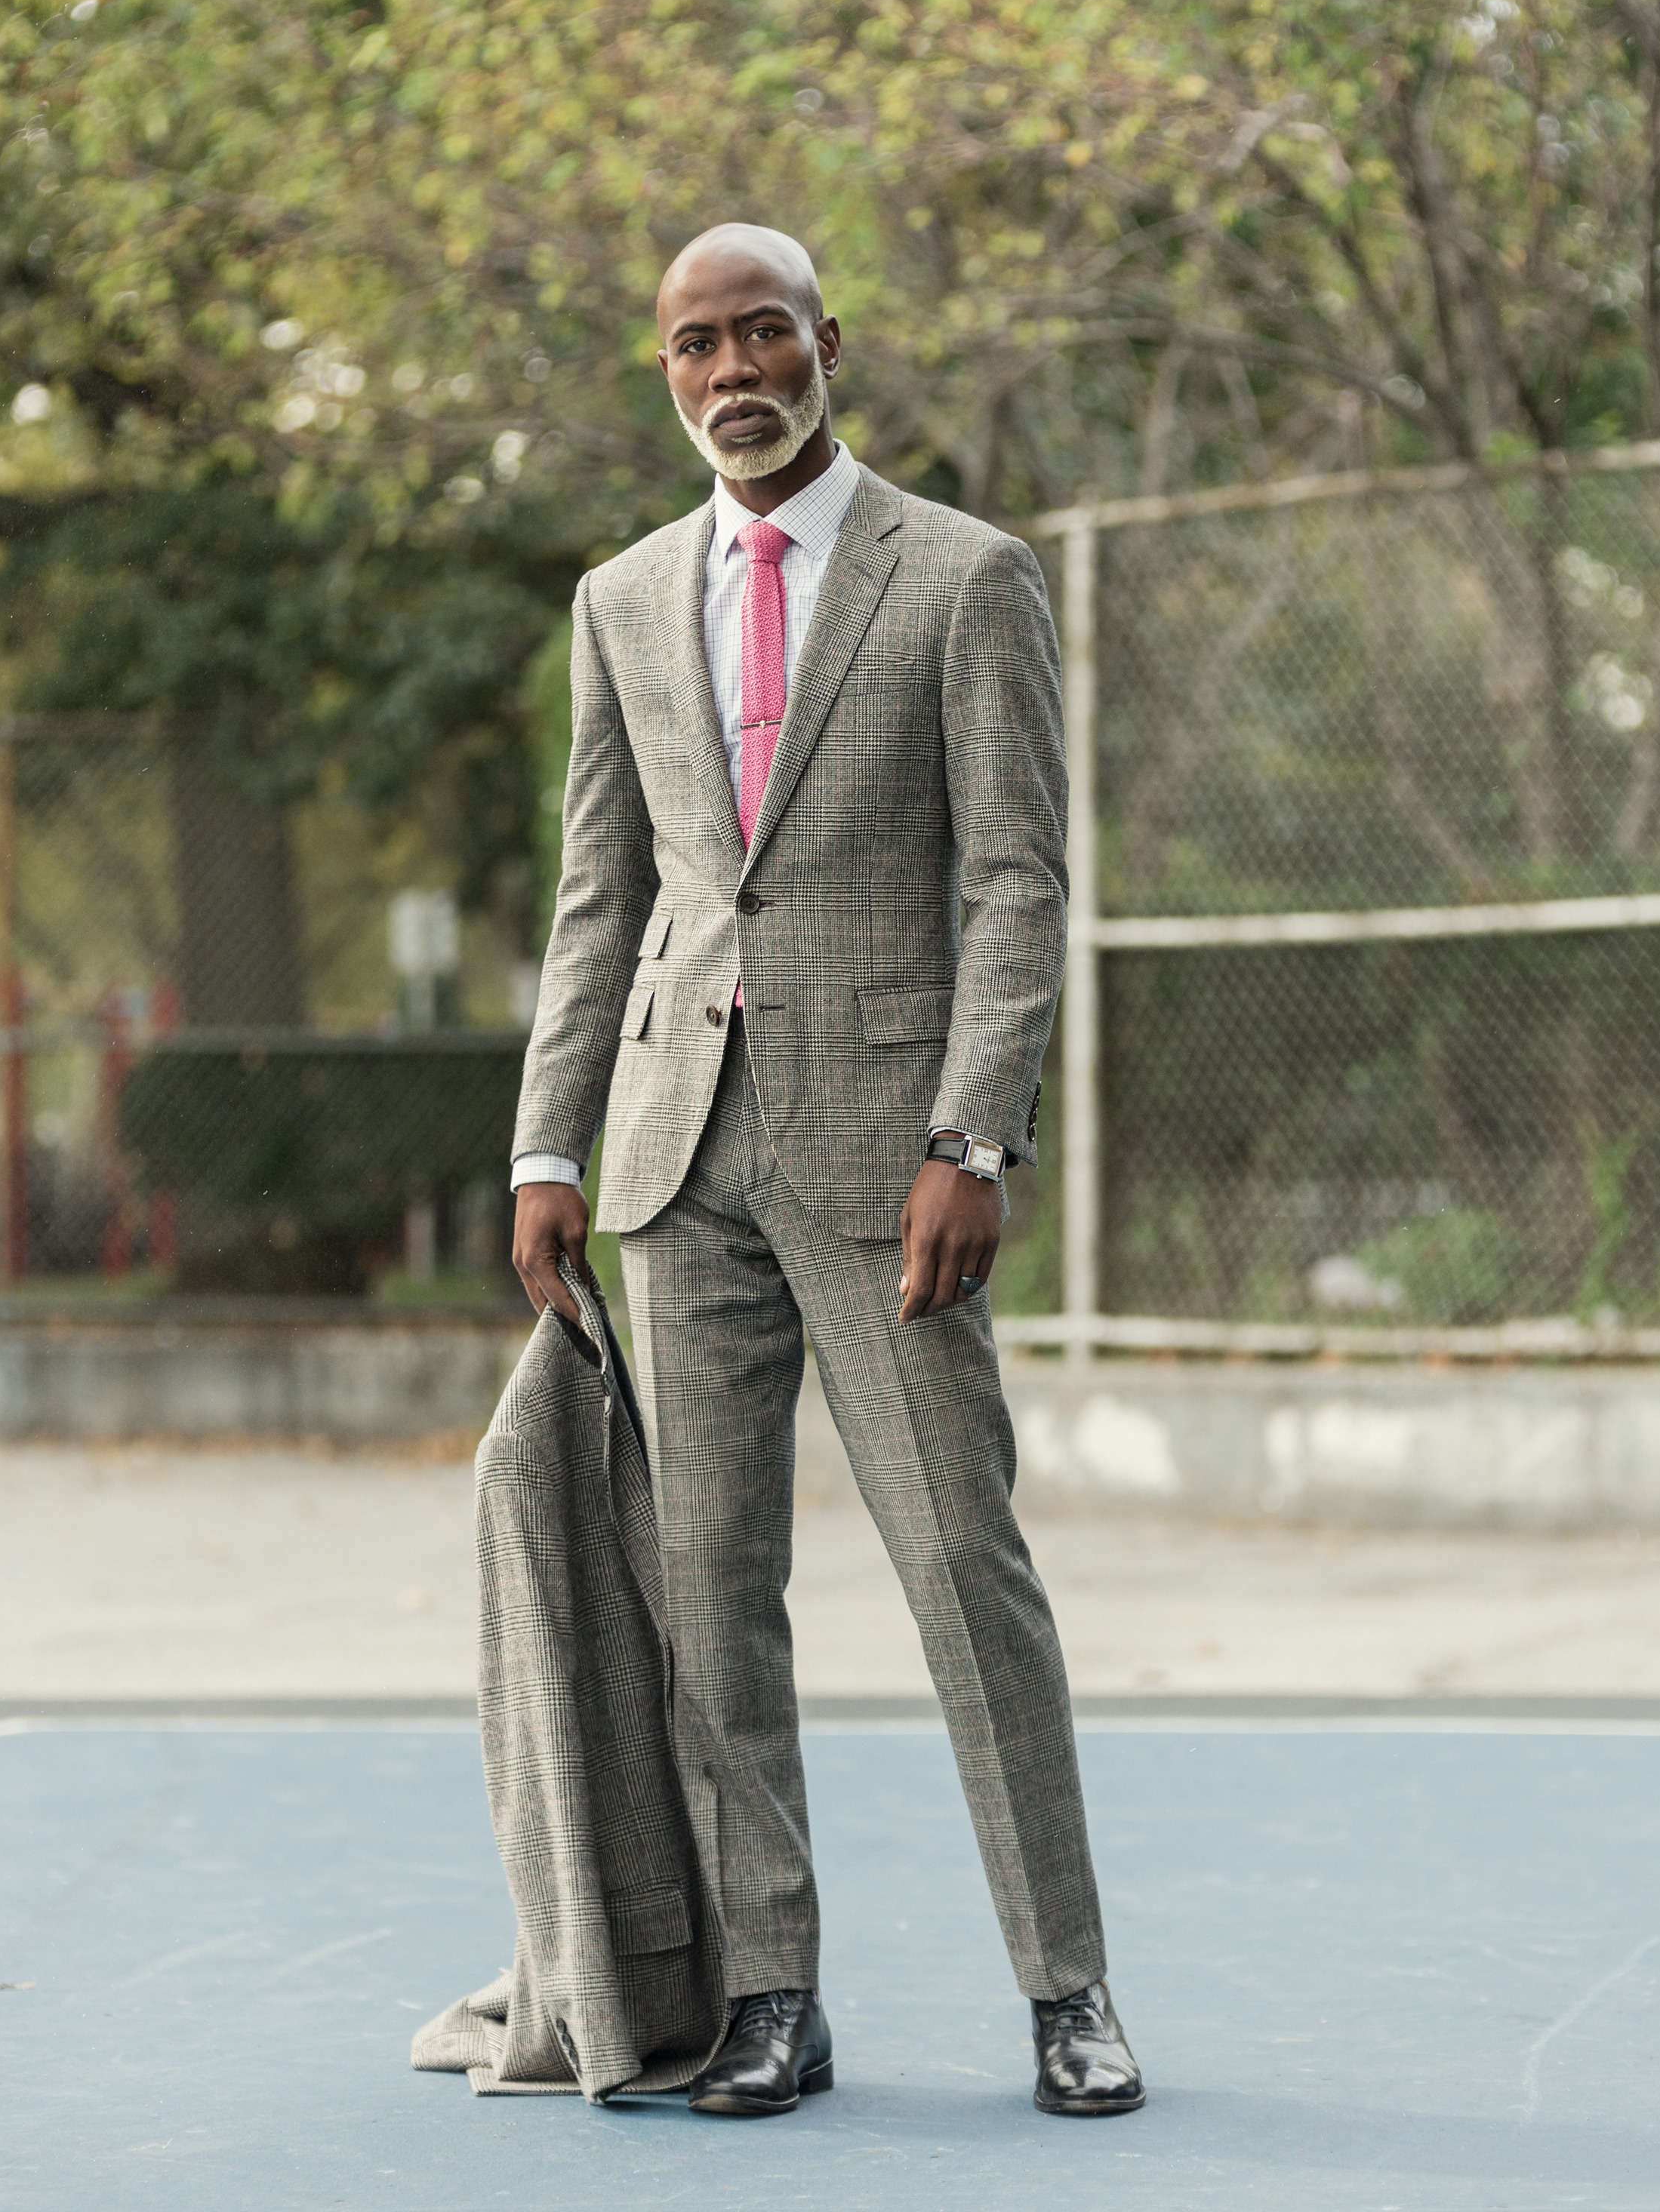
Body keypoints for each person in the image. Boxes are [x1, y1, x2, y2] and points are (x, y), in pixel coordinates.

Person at [508, 222, 1143, 2121]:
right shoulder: (622, 599)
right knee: (711, 1591)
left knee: (962, 1566)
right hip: (671, 1156)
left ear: (826, 343)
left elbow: (1016, 877)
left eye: (763, 333)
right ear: (668, 370)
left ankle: (1068, 1987)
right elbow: (601, 893)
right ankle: (771, 1990)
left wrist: (974, 1131)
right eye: (697, 345)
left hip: (892, 1166)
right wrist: (547, 1140)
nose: (733, 371)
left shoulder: (966, 576)